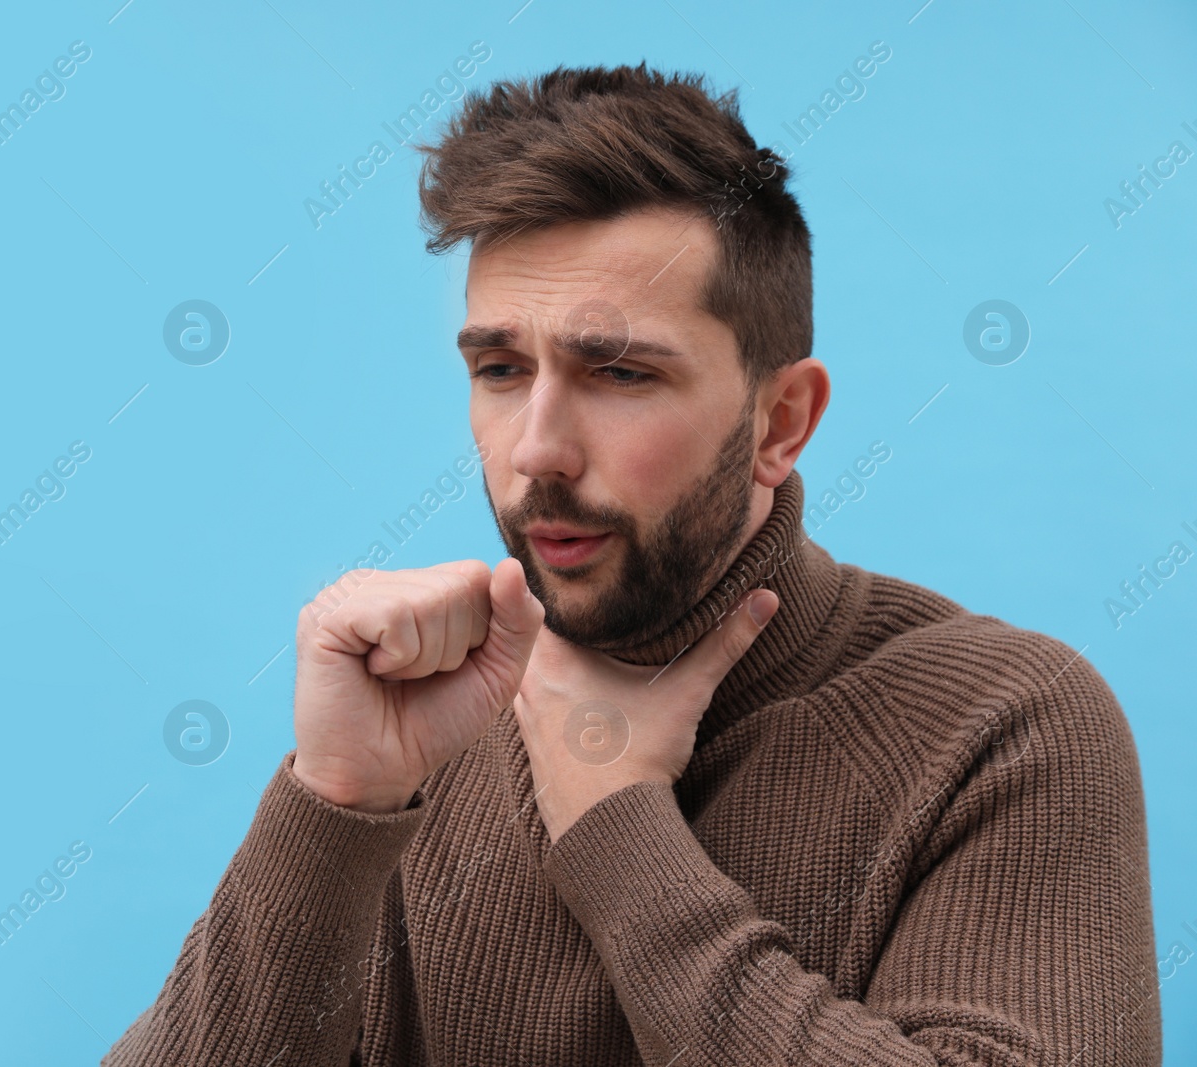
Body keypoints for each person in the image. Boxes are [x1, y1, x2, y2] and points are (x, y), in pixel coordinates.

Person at [102, 64, 1160, 1066]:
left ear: (779, 420)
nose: (536, 449)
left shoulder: (1001, 722)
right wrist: (338, 802)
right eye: (502, 369)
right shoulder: (419, 730)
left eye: (616, 370)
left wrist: (615, 821)